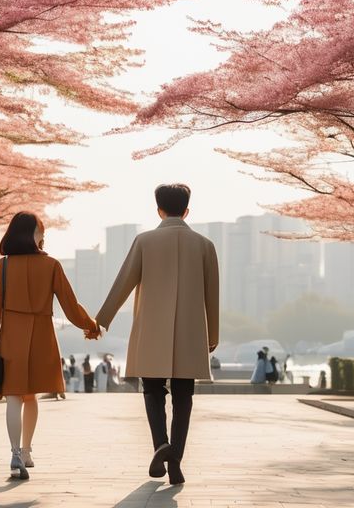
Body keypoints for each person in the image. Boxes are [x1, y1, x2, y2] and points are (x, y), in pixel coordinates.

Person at [92, 183, 220, 485]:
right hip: (190, 331)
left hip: (152, 329)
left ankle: (161, 443)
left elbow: (123, 284)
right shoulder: (204, 245)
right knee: (183, 396)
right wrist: (211, 335)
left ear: (159, 209)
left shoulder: (144, 241)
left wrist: (100, 322)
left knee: (151, 390)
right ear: (187, 210)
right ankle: (175, 458)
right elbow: (212, 296)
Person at [0, 211, 99, 480]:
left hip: (11, 335)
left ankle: (15, 453)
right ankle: (27, 450)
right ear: (31, 234)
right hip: (42, 334)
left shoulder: (4, 266)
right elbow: (69, 304)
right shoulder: (52, 265)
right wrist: (90, 325)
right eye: (40, 230)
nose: (43, 235)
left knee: (14, 396)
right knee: (31, 396)